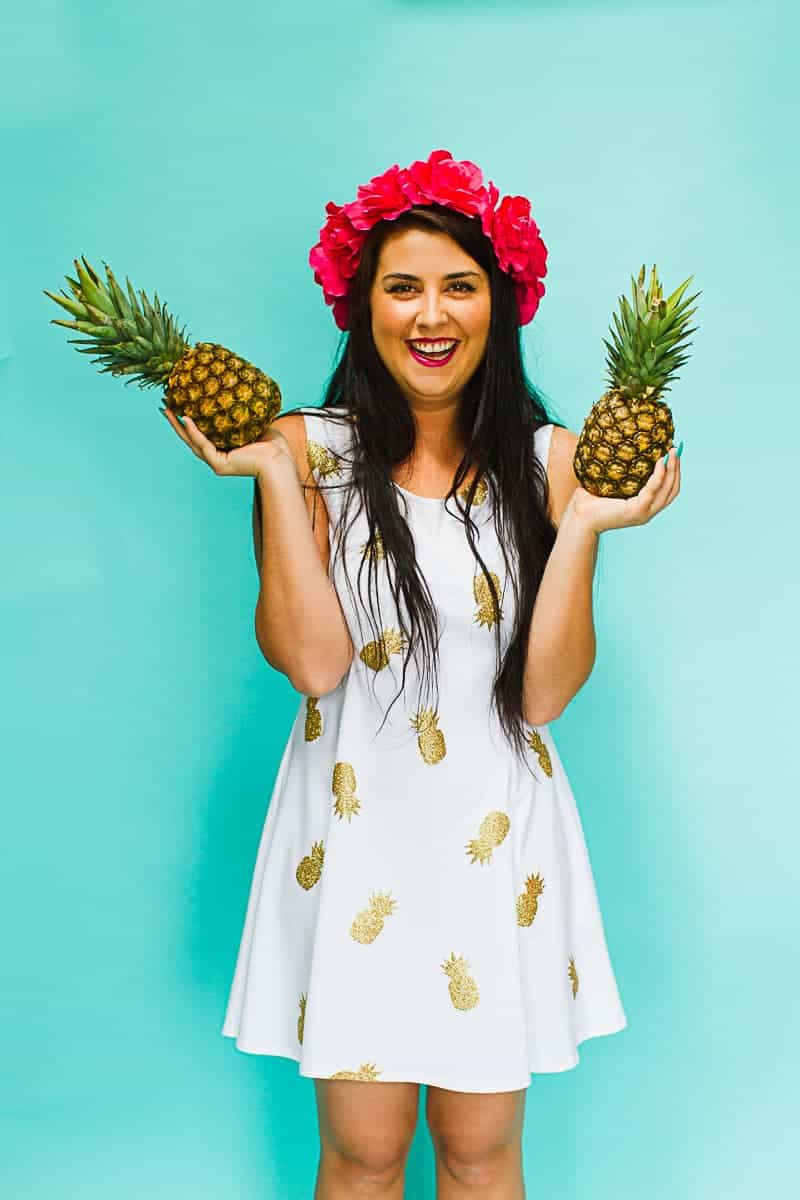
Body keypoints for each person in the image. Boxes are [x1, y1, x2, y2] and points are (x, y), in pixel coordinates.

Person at [163, 149, 682, 1199]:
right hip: (354, 832)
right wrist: (270, 476)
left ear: (500, 304)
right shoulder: (305, 449)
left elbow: (542, 697)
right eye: (402, 287)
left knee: (480, 1158)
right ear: (362, 308)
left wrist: (584, 528)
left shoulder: (552, 462)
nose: (430, 314)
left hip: (495, 836)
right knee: (361, 1159)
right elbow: (313, 664)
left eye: (459, 285)